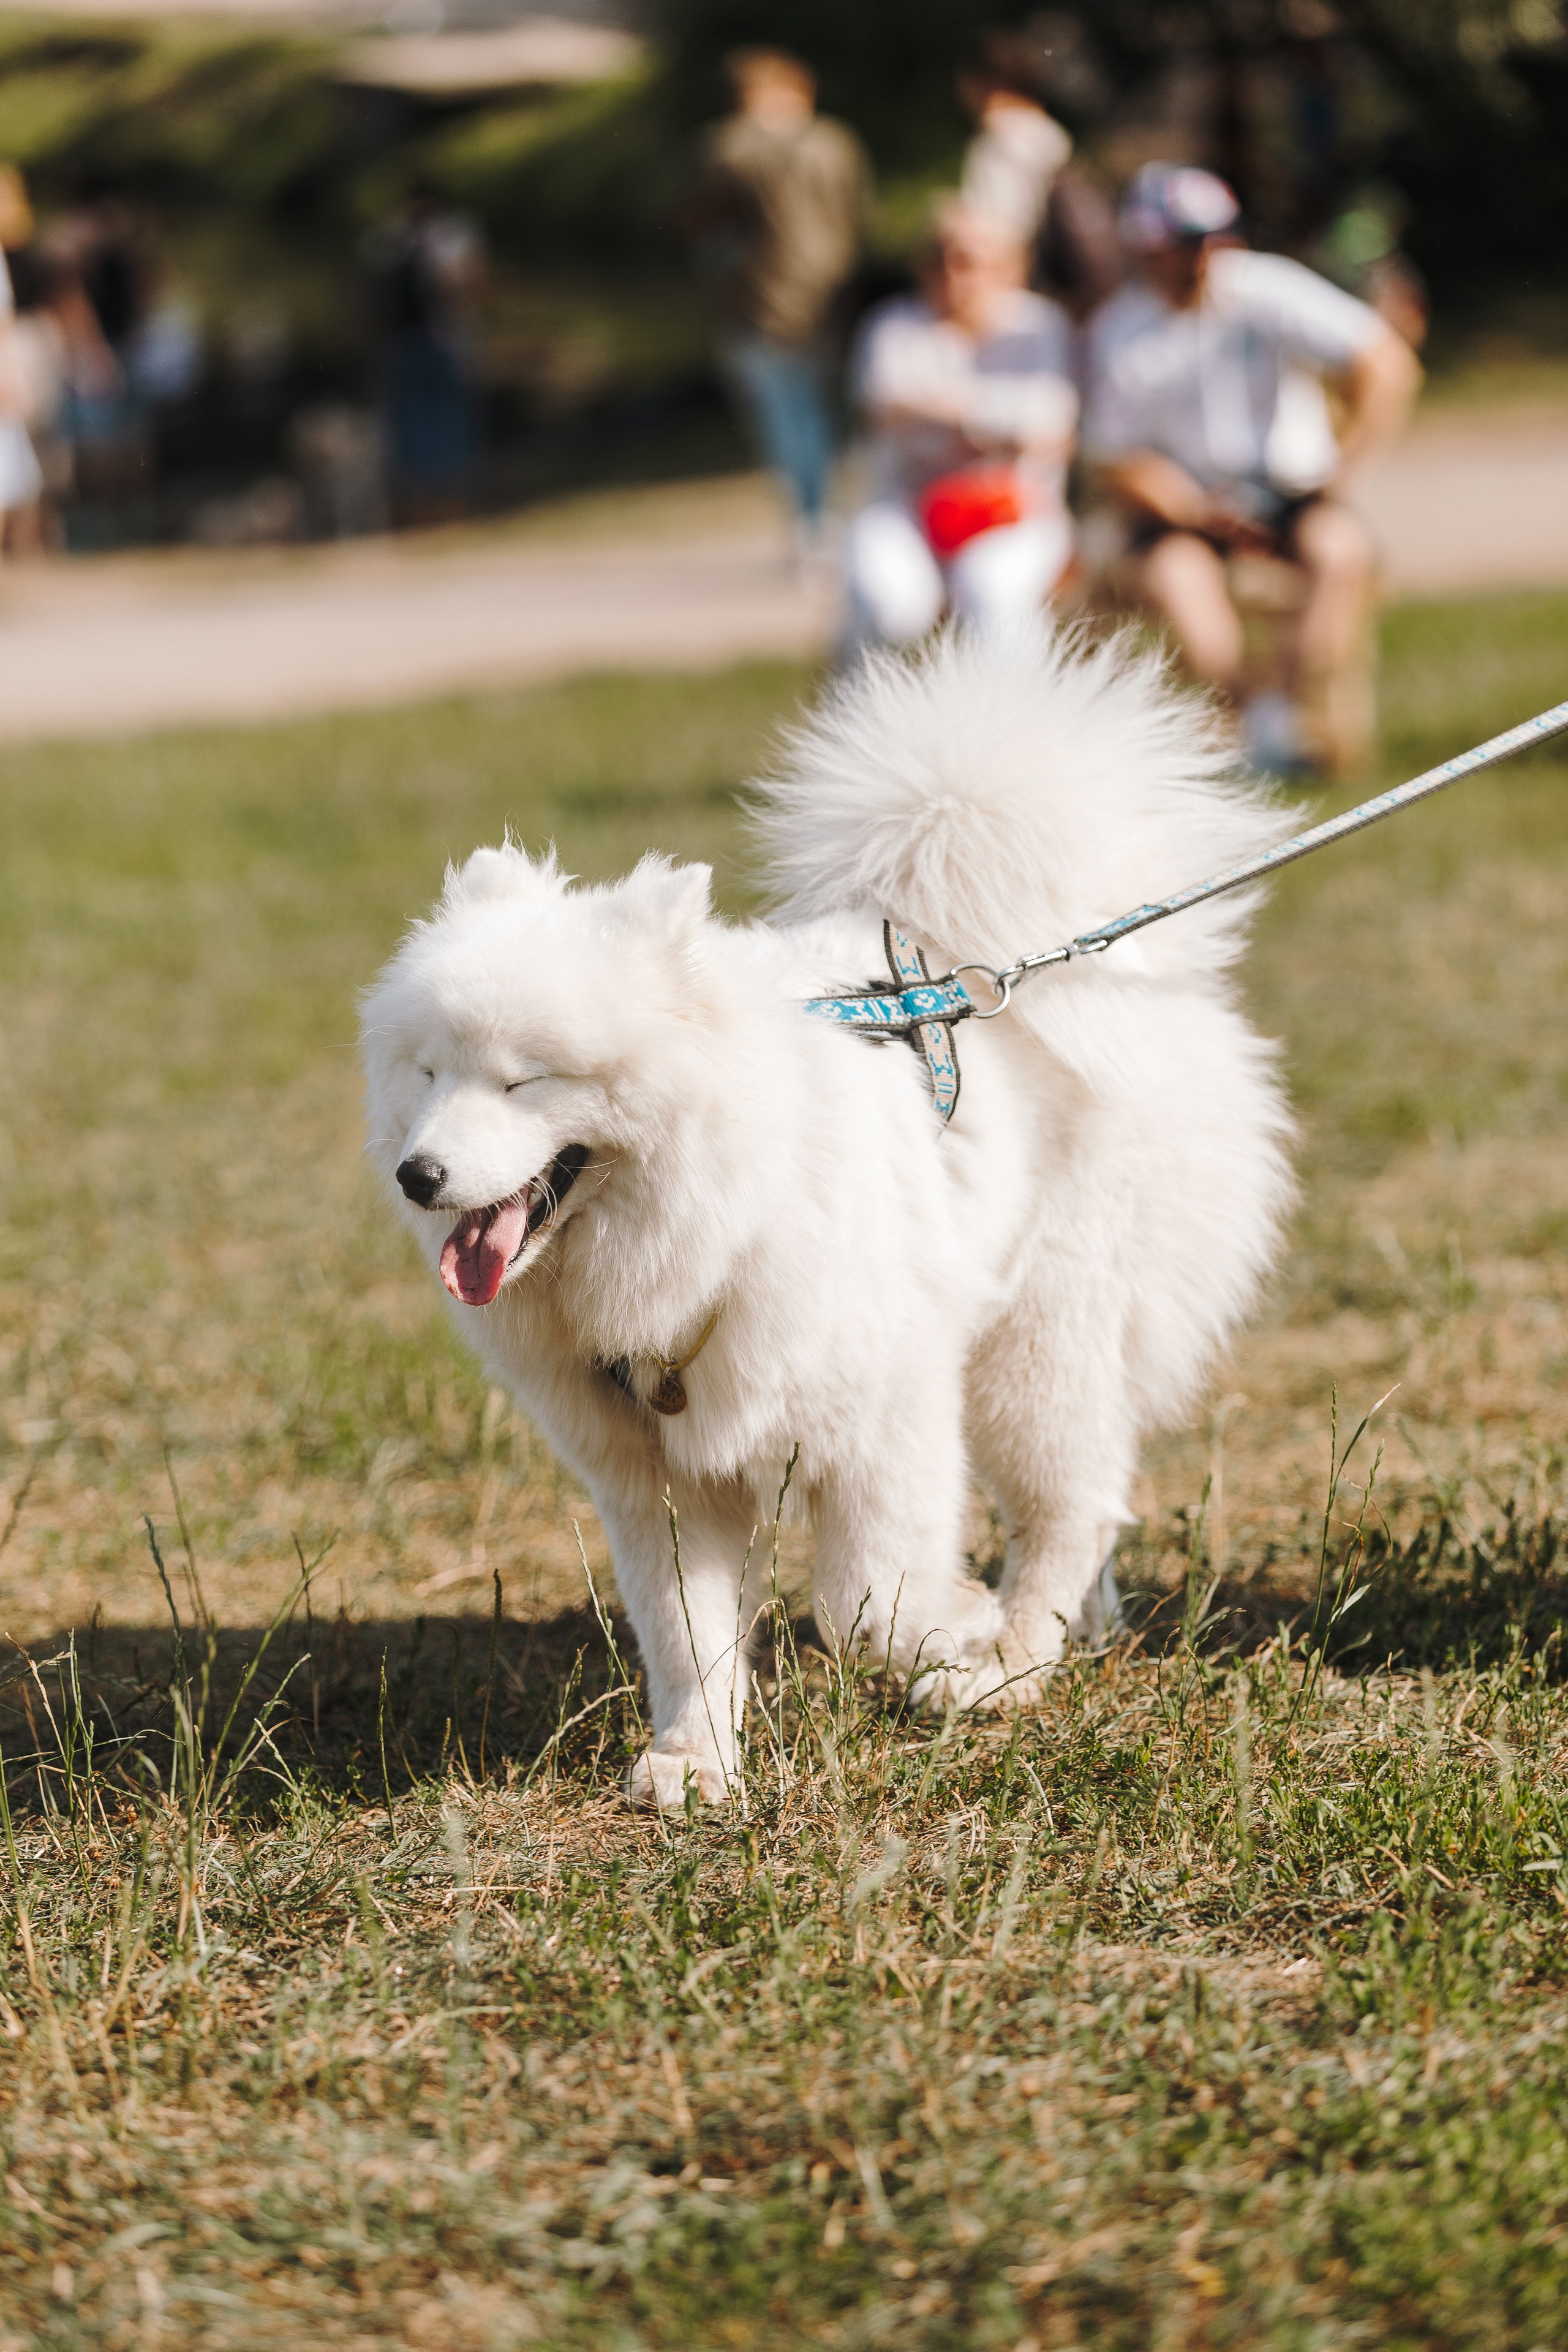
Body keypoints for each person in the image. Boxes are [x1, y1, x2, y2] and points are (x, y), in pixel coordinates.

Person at [1083, 162, 1421, 772]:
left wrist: (1344, 472)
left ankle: (1271, 716)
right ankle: (1251, 713)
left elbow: (1385, 365)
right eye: (1189, 242)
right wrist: (1183, 504)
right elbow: (1116, 456)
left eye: (1217, 236)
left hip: (1290, 490)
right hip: (1185, 503)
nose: (1209, 254)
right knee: (1175, 575)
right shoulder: (1119, 330)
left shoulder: (1268, 288)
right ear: (1147, 249)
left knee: (1339, 553)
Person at [840, 199, 1077, 655]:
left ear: (1012, 268)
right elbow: (885, 411)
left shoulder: (1040, 327)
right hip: (908, 502)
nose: (951, 275)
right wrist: (996, 421)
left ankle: (1016, 720)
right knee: (888, 603)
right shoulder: (893, 326)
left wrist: (942, 408)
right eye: (938, 260)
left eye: (969, 261)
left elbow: (1048, 435)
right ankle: (858, 718)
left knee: (993, 594)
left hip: (1013, 507)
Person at [685, 47, 870, 559]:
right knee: (836, 412)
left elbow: (707, 228)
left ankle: (812, 523)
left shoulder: (730, 146)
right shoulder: (836, 142)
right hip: (834, 296)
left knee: (788, 415)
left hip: (761, 303)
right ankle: (847, 520)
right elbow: (858, 220)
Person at [364, 190, 483, 526]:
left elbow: (373, 303)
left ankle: (420, 507)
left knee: (411, 427)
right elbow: (461, 291)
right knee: (447, 425)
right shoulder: (451, 240)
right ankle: (448, 504)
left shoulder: (385, 244)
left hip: (402, 347)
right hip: (441, 344)